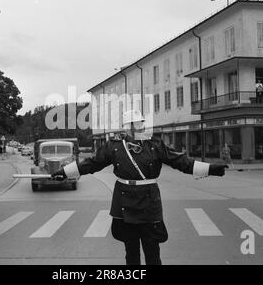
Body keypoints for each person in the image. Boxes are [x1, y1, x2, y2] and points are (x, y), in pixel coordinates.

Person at [51, 110, 228, 265]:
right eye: (137, 126)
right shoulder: (114, 147)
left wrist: (210, 169)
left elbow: (180, 162)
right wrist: (65, 172)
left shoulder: (155, 145)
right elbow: (92, 164)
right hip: (124, 202)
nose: (141, 129)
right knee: (131, 253)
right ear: (127, 128)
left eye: (142, 125)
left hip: (149, 202)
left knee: (153, 253)